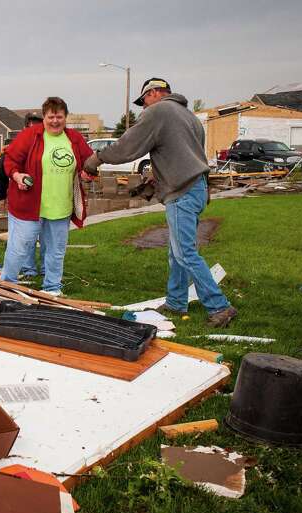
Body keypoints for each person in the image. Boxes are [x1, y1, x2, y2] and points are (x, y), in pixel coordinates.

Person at [84, 78, 237, 327]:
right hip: (196, 188)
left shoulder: (159, 111)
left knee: (185, 253)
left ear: (154, 93)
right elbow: (191, 154)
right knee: (177, 252)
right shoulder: (189, 116)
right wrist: (157, 179)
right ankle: (176, 302)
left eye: (143, 100)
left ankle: (220, 306)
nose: (143, 107)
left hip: (182, 190)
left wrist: (96, 159)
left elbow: (128, 146)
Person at [1, 97, 93, 295]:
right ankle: (6, 284)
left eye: (59, 117)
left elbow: (89, 161)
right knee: (19, 248)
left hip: (60, 207)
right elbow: (10, 161)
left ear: (65, 117)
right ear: (44, 117)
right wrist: (17, 176)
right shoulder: (29, 136)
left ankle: (52, 288)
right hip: (28, 207)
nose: (55, 121)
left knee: (56, 252)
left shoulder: (74, 138)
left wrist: (88, 172)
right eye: (51, 117)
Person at [0, 112, 43, 278]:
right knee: (23, 238)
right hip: (21, 202)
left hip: (45, 202)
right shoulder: (19, 146)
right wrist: (1, 195)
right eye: (33, 127)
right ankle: (28, 268)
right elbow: (2, 167)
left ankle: (42, 270)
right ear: (25, 128)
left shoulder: (46, 146)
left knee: (45, 239)